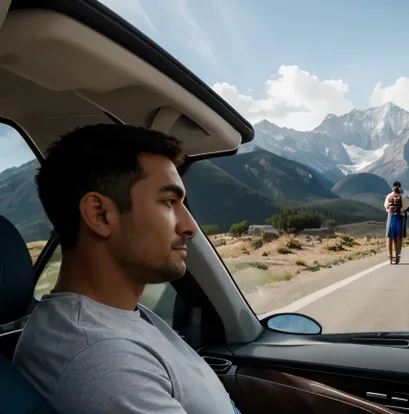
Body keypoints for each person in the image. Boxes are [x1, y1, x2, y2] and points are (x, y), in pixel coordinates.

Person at [12, 124, 241, 414]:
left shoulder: (116, 317)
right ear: (100, 215)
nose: (190, 227)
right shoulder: (104, 359)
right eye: (169, 202)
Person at [384, 181, 408, 264]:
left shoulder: (389, 196)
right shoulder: (403, 196)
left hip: (390, 217)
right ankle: (398, 255)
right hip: (399, 218)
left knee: (389, 238)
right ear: (400, 187)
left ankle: (390, 257)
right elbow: (406, 207)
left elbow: (386, 207)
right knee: (398, 238)